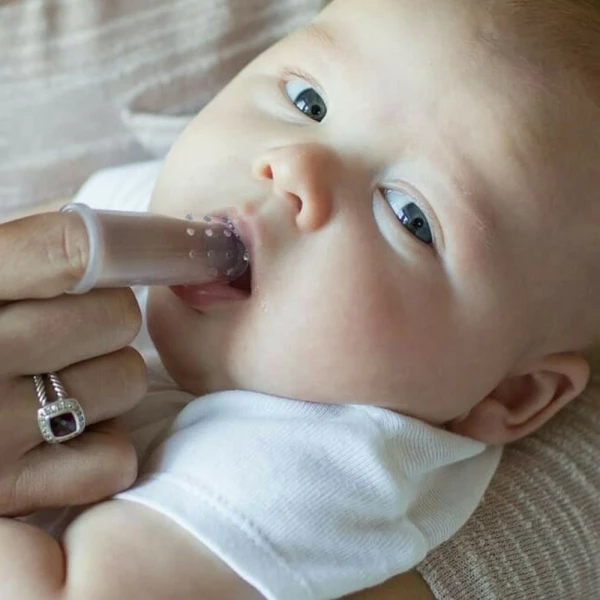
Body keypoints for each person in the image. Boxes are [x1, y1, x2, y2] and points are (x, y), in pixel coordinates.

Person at [1, 0, 599, 597]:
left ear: (509, 393)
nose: (295, 165)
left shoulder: (321, 459)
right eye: (307, 102)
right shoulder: (155, 195)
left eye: (409, 214)